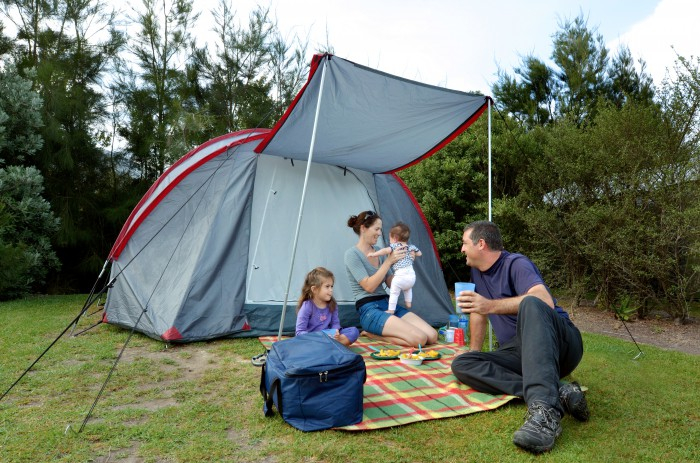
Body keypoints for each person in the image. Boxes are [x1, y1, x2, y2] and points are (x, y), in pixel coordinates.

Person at [450, 220, 589, 454]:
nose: (462, 249)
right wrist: (474, 349)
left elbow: (543, 301)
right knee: (463, 363)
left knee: (531, 303)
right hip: (520, 352)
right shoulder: (476, 272)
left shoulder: (516, 264)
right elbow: (478, 311)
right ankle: (559, 391)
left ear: (481, 244)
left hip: (560, 344)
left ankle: (544, 414)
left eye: (465, 243)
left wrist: (489, 305)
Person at [344, 210, 437, 347]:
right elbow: (369, 287)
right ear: (363, 228)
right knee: (419, 340)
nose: (380, 233)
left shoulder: (379, 252)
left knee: (432, 336)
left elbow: (390, 282)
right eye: (376, 229)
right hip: (369, 309)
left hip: (387, 304)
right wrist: (388, 262)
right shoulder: (352, 254)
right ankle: (374, 335)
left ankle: (390, 332)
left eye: (380, 229)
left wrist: (405, 267)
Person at [295, 267, 359, 346]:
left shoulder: (332, 305)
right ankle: (331, 346)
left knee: (354, 331)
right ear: (314, 289)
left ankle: (329, 346)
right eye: (327, 286)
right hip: (313, 338)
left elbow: (335, 323)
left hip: (329, 336)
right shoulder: (307, 306)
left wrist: (335, 331)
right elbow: (299, 331)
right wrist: (316, 337)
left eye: (332, 286)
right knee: (302, 340)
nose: (331, 290)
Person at [367, 222, 422, 314]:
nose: (390, 241)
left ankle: (391, 310)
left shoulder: (395, 246)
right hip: (412, 277)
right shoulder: (410, 247)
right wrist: (414, 253)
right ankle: (408, 302)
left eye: (390, 238)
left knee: (394, 291)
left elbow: (385, 250)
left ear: (395, 238)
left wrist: (374, 254)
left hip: (400, 277)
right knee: (407, 288)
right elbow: (420, 253)